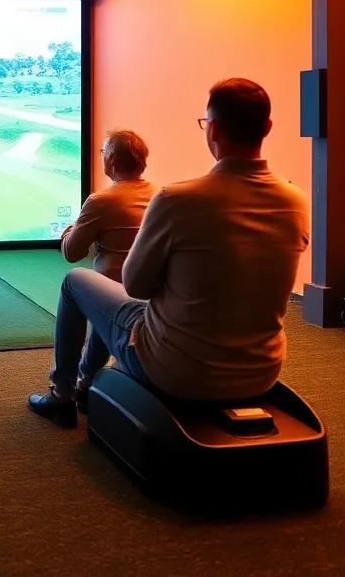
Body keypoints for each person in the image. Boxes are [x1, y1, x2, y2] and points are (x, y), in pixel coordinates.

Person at [28, 79, 309, 427]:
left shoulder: (178, 200)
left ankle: (63, 394)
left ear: (214, 130)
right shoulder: (296, 201)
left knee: (77, 282)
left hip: (175, 369)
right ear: (267, 127)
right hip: (261, 372)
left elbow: (136, 287)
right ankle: (85, 382)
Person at [59, 129, 157, 281]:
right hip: (149, 287)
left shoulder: (100, 201)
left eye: (103, 151)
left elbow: (71, 253)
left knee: (72, 280)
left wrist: (69, 230)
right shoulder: (157, 194)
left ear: (111, 158)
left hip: (115, 288)